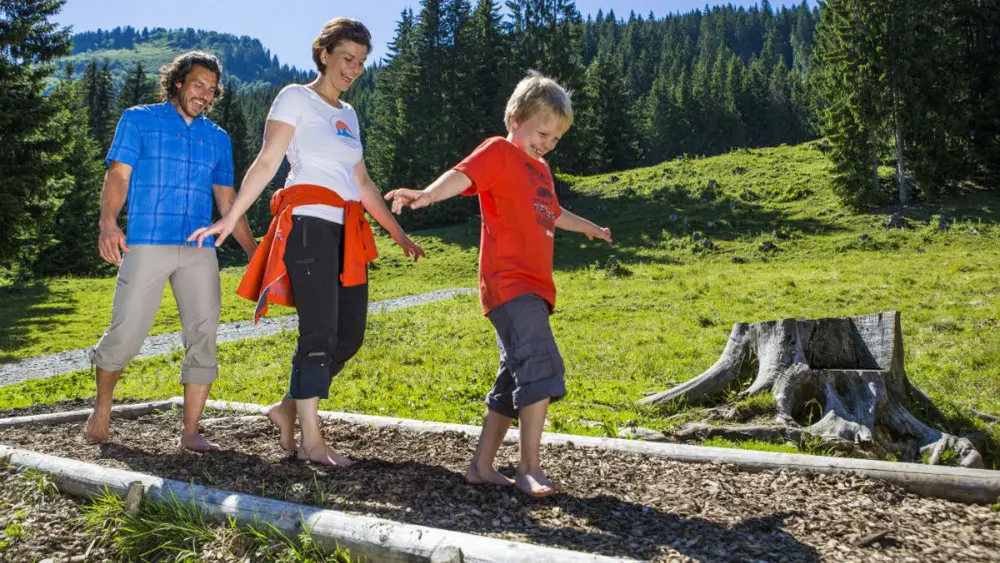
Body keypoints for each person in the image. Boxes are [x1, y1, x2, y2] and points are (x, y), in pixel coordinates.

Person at [189, 18, 424, 467]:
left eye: (360, 62)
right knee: (318, 333)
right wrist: (231, 218)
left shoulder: (349, 115)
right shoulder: (295, 97)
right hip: (307, 226)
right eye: (346, 59)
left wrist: (398, 234)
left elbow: (363, 182)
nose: (354, 69)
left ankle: (287, 409)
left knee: (349, 336)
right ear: (324, 55)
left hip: (347, 233)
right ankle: (313, 443)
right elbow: (267, 161)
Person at [386, 73, 612, 497]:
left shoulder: (541, 170)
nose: (547, 143)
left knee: (514, 378)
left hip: (536, 289)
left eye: (556, 138)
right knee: (540, 363)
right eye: (542, 132)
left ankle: (481, 466)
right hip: (508, 286)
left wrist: (590, 229)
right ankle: (529, 468)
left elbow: (553, 212)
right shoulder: (500, 151)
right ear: (515, 118)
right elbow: (463, 175)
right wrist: (428, 195)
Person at [85, 51, 258, 451]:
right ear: (178, 81)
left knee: (204, 335)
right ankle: (103, 406)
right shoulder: (139, 120)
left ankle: (191, 432)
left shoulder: (217, 138)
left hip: (199, 249)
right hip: (147, 242)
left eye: (212, 90)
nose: (205, 95)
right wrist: (108, 224)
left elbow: (228, 205)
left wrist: (254, 252)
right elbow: (118, 175)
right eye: (198, 85)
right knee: (126, 331)